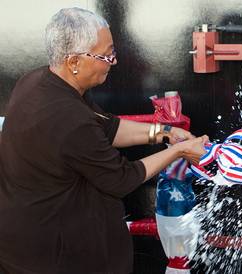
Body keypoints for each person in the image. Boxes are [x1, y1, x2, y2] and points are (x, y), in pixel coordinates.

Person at [0, 7, 207, 274]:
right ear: (74, 62)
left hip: (21, 243)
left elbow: (106, 125)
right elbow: (122, 178)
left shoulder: (37, 81)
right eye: (106, 55)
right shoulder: (69, 119)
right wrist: (178, 152)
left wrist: (165, 132)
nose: (114, 61)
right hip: (55, 257)